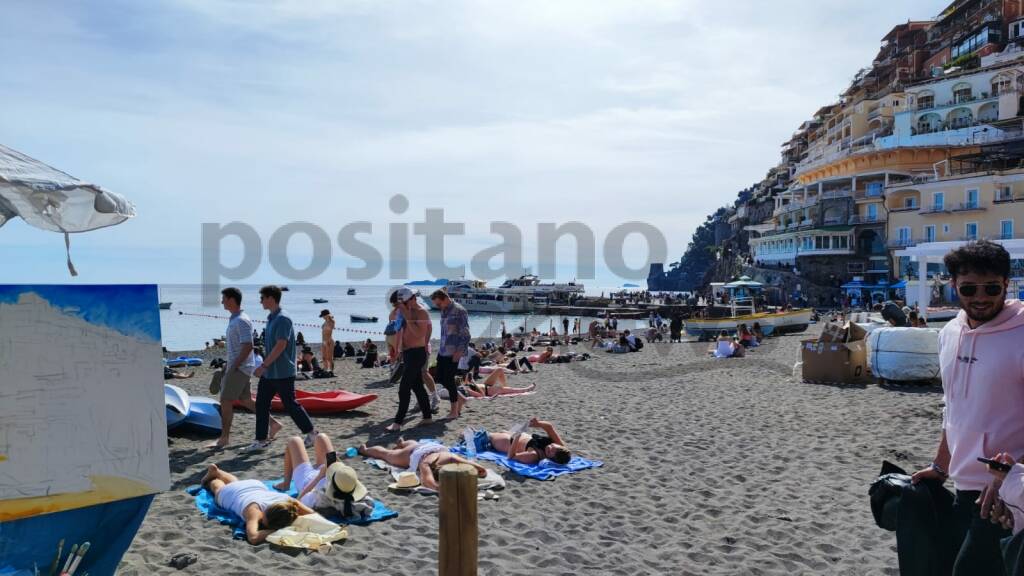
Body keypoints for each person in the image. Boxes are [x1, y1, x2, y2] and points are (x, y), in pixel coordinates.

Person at [909, 240, 1024, 575]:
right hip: (962, 487)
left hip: (1003, 496)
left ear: (1006, 284)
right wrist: (941, 466)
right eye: (969, 288)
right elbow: (955, 409)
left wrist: (1012, 481)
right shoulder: (948, 333)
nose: (981, 297)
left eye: (991, 287)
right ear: (953, 285)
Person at [208, 287, 281, 449]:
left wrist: (233, 366)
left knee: (225, 401)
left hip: (239, 368)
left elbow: (248, 345)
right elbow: (237, 347)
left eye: (224, 299)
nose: (222, 302)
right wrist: (228, 364)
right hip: (239, 366)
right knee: (246, 400)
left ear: (232, 300)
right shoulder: (235, 319)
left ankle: (224, 438)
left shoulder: (241, 320)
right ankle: (273, 424)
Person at [251, 285, 317, 451]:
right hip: (270, 372)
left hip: (282, 371)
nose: (260, 301)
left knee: (290, 404)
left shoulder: (282, 318)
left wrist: (263, 364)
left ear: (271, 298)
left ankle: (312, 433)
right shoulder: (271, 317)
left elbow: (281, 345)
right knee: (261, 404)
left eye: (262, 298)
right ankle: (261, 440)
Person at [200, 464, 315, 544]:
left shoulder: (289, 501)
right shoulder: (254, 511)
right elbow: (253, 537)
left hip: (254, 485)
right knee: (217, 488)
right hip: (231, 493)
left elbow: (313, 515)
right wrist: (280, 531)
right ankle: (213, 478)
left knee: (236, 484)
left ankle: (218, 472)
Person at [273, 434, 375, 520]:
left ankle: (286, 484)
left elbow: (299, 500)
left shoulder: (320, 497)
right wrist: (334, 465)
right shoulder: (347, 485)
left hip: (308, 480)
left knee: (294, 440)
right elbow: (347, 476)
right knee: (321, 437)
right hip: (330, 473)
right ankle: (323, 465)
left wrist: (319, 476)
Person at [357, 439, 487, 491]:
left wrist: (479, 471)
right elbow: (428, 483)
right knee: (386, 454)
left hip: (429, 446)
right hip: (414, 453)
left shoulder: (450, 458)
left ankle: (403, 442)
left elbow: (480, 469)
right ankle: (364, 450)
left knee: (413, 444)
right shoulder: (427, 464)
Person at [387, 288, 433, 432]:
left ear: (412, 299)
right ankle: (427, 417)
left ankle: (398, 422)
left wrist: (407, 316)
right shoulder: (404, 311)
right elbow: (399, 330)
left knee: (404, 388)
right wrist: (398, 350)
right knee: (417, 386)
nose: (403, 306)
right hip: (407, 353)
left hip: (417, 353)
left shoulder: (421, 312)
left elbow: (419, 334)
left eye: (404, 303)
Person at [431, 289, 470, 420]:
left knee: (449, 380)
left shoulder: (459, 310)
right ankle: (461, 398)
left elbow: (466, 334)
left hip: (453, 352)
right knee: (440, 378)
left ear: (445, 299)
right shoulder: (444, 310)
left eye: (438, 304)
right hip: (443, 350)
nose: (437, 307)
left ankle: (454, 411)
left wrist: (459, 352)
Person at [467, 417, 571, 465]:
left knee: (479, 436)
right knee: (497, 432)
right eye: (552, 446)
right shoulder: (561, 447)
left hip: (508, 442)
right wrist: (537, 423)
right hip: (515, 434)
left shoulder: (533, 455)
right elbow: (549, 427)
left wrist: (517, 436)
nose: (550, 447)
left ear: (550, 459)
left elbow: (511, 457)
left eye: (549, 452)